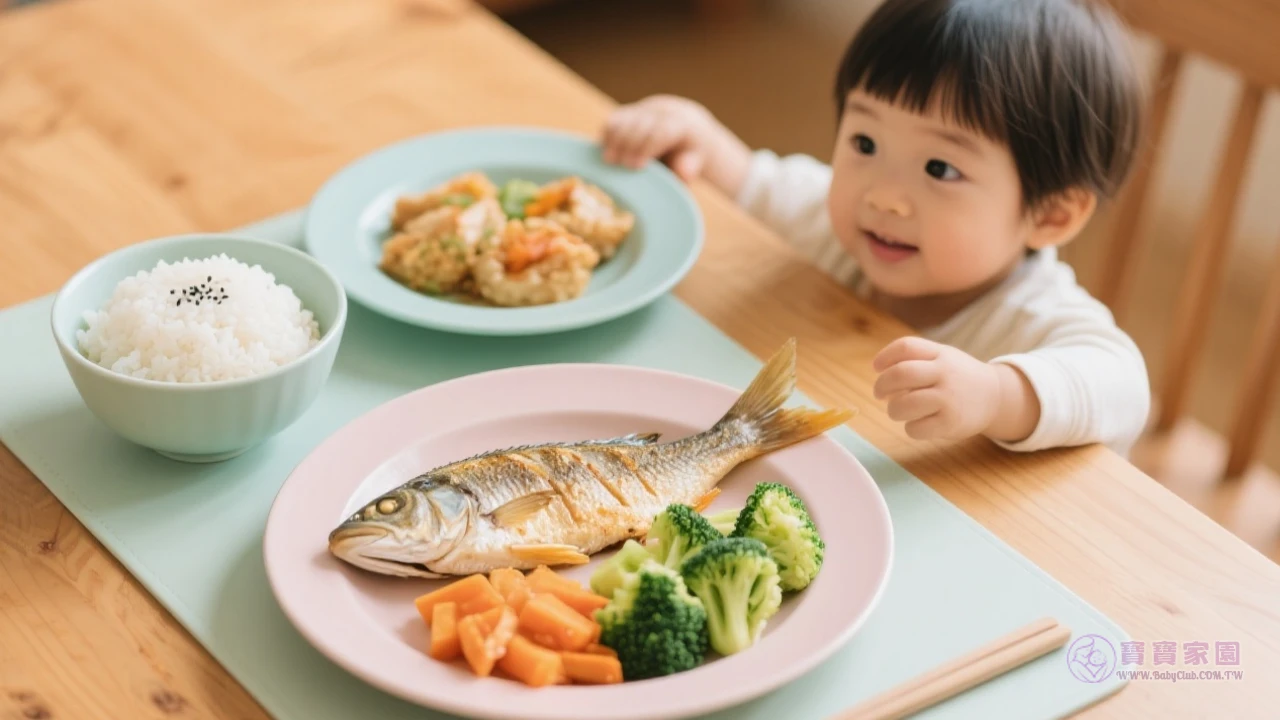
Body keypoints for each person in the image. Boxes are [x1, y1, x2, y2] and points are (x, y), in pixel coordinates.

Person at [598, 0, 1152, 456]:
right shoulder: (837, 220)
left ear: (1050, 215)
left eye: (941, 169)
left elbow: (1123, 387)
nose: (883, 195)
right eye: (866, 143)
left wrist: (997, 395)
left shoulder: (1033, 315)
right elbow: (757, 185)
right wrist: (699, 136)